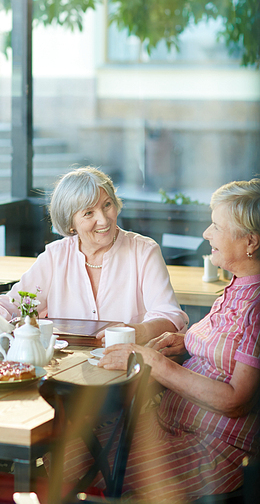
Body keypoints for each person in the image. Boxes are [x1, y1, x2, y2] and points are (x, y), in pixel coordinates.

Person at [92, 179, 260, 501]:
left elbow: (236, 400)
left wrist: (153, 362)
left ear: (250, 241)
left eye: (215, 226)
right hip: (169, 425)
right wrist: (185, 340)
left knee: (91, 472)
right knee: (72, 450)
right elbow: (229, 345)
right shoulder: (238, 286)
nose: (206, 235)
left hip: (211, 446)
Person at [0, 167, 188, 343]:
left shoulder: (143, 251)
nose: (103, 219)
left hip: (126, 366)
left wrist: (136, 331)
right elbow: (15, 304)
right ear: (71, 223)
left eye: (107, 205)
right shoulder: (56, 256)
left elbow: (169, 315)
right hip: (63, 366)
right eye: (89, 213)